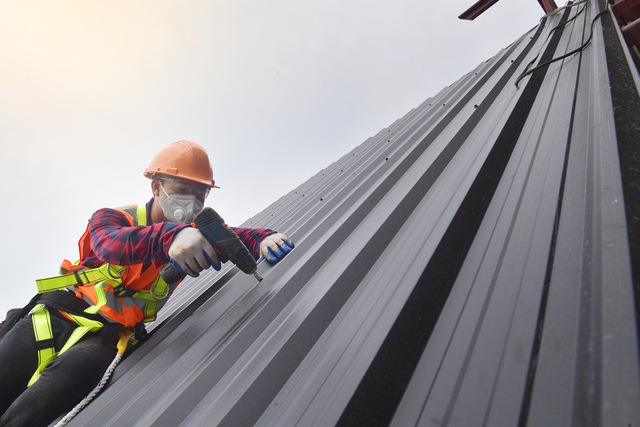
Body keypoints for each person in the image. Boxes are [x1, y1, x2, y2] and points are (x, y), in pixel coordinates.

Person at [0, 140, 294, 426]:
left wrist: (264, 238)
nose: (192, 200)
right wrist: (170, 237)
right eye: (182, 188)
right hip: (56, 316)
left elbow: (236, 236)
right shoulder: (113, 218)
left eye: (201, 194)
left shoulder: (194, 236)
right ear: (156, 186)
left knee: (46, 399)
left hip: (108, 339)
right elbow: (110, 245)